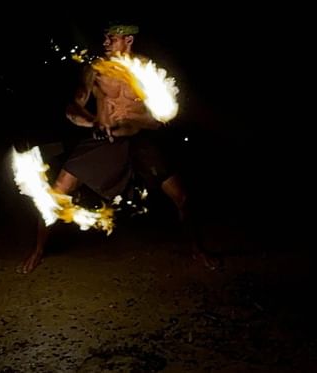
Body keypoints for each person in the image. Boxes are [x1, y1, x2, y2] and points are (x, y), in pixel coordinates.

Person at [17, 22, 219, 274]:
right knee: (57, 191)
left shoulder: (146, 70)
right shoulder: (96, 71)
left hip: (141, 141)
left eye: (111, 38)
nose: (105, 43)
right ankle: (37, 250)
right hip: (104, 142)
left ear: (128, 40)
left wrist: (137, 121)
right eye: (105, 38)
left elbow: (162, 116)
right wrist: (92, 122)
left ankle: (197, 249)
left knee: (182, 197)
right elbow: (73, 107)